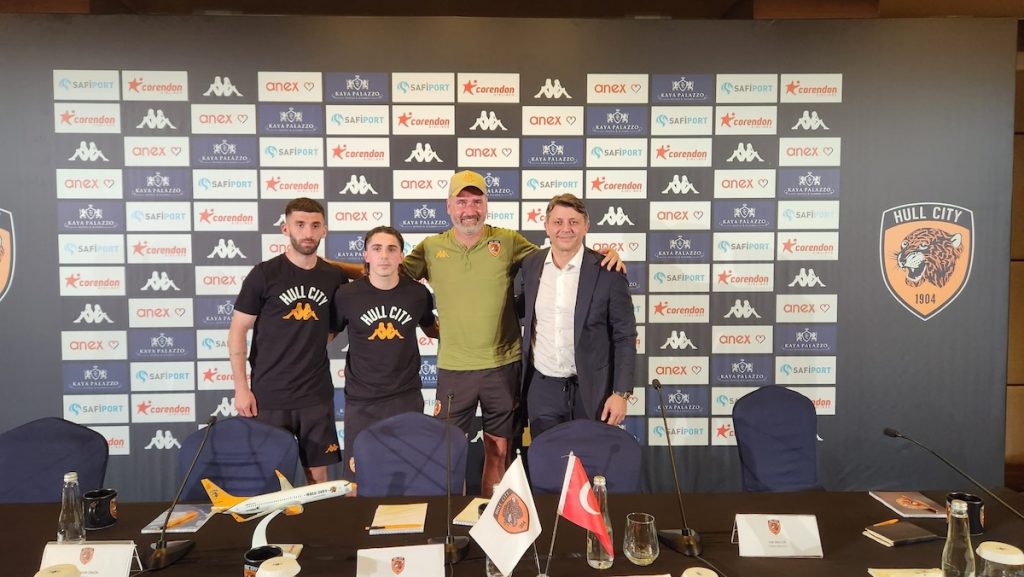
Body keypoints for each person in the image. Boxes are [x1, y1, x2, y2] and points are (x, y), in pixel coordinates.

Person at [402, 171, 624, 495]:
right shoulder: (430, 247)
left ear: (486, 204)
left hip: (502, 366)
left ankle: (493, 518)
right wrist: (337, 269)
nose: (469, 209)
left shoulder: (507, 241)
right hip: (454, 368)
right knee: (448, 454)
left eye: (477, 201)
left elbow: (558, 256)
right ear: (449, 206)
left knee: (499, 449)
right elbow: (390, 276)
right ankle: (451, 519)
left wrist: (602, 257)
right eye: (461, 202)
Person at [228, 197, 346, 484]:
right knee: (270, 476)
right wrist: (241, 388)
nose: (308, 232)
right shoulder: (264, 274)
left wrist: (308, 344)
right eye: (300, 225)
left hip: (315, 394)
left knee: (318, 478)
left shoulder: (334, 277)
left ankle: (317, 517)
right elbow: (237, 330)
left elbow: (332, 327)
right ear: (285, 229)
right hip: (269, 394)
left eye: (315, 226)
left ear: (324, 230)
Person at [519, 193, 637, 438]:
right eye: (558, 222)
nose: (565, 229)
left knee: (591, 458)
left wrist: (621, 393)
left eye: (573, 222)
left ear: (586, 226)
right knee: (546, 458)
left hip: (593, 391)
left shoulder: (608, 270)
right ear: (546, 226)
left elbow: (625, 336)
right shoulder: (531, 264)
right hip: (543, 390)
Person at [333, 226, 439, 479]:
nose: (384, 255)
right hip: (362, 402)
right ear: (366, 255)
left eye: (391, 249)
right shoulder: (346, 295)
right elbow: (324, 336)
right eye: (377, 248)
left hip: (406, 398)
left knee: (408, 475)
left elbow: (433, 329)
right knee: (358, 478)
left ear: (401, 256)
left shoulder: (417, 294)